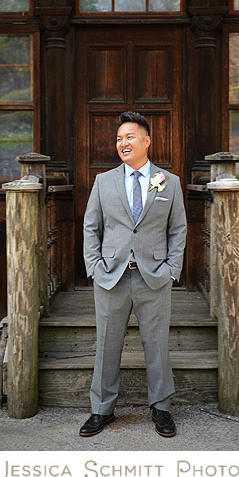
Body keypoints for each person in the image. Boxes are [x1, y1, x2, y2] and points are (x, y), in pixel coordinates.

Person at [80, 111, 186, 438]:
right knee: (106, 345)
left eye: (129, 137)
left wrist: (171, 270)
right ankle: (102, 410)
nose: (122, 143)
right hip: (111, 277)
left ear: (146, 140)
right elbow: (91, 227)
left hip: (154, 277)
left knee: (157, 345)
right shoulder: (104, 182)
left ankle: (162, 408)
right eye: (118, 138)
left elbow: (178, 229)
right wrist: (94, 268)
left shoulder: (169, 182)